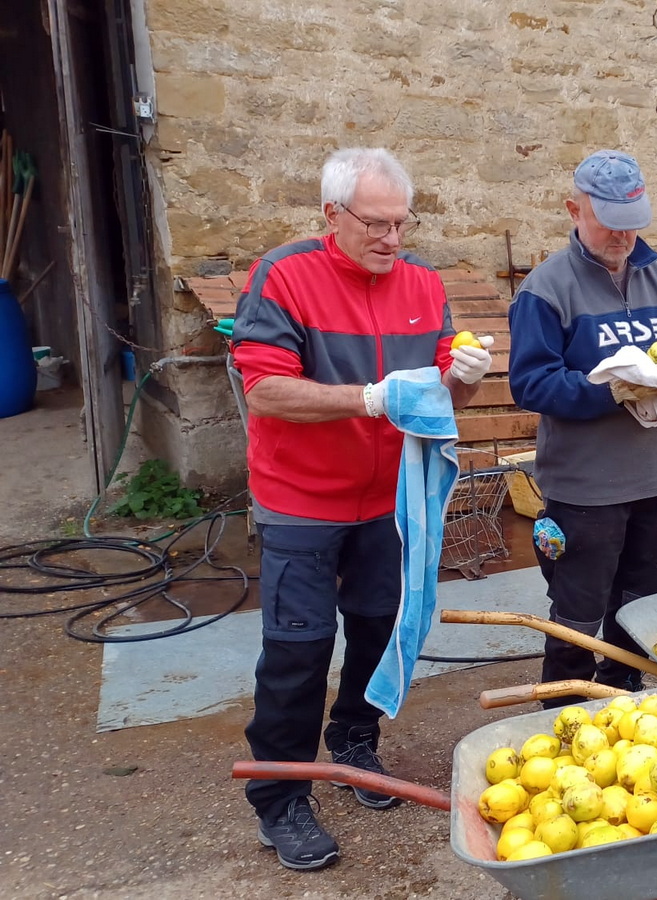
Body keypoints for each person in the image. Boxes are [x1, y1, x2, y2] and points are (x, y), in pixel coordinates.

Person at [231, 148, 491, 870]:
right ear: (331, 215)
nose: (390, 238)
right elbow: (266, 390)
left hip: (389, 500)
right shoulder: (284, 277)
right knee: (298, 646)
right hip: (301, 501)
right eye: (374, 224)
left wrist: (463, 376)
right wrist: (370, 397)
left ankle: (354, 736)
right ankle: (281, 798)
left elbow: (445, 394)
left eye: (400, 223)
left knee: (382, 625)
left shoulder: (421, 283)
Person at [507, 149, 657, 704]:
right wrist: (610, 391)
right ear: (574, 209)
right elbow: (530, 385)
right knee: (578, 610)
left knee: (643, 601)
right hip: (586, 488)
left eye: (633, 223)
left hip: (655, 475)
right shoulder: (546, 290)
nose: (623, 237)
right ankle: (562, 713)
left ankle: (625, 699)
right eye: (609, 223)